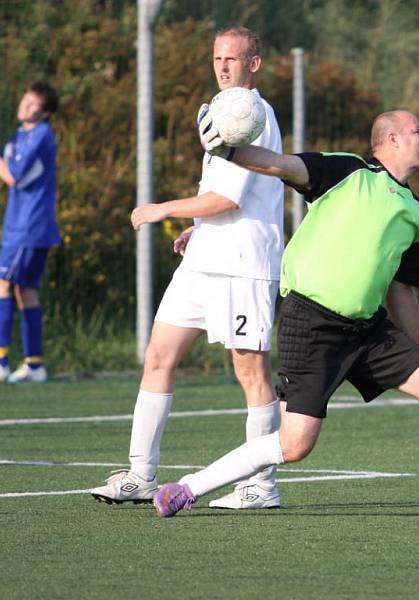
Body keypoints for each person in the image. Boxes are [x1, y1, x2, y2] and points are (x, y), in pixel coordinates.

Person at [151, 108, 419, 520]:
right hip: (310, 322)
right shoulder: (348, 171)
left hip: (366, 329)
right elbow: (280, 164)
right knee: (295, 445)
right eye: (418, 131)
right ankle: (186, 488)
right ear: (392, 140)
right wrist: (227, 150)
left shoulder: (418, 216)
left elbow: (401, 292)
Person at [90, 26, 285, 509]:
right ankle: (141, 475)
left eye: (233, 59)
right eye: (217, 58)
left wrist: (161, 208)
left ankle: (261, 486)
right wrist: (198, 228)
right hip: (207, 257)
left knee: (250, 371)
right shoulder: (223, 111)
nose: (223, 67)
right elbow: (219, 195)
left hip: (245, 263)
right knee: (159, 355)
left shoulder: (252, 115)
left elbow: (226, 197)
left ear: (253, 64)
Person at [0, 82, 61, 384]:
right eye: (26, 100)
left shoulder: (41, 135)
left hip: (27, 226)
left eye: (34, 105)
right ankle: (34, 365)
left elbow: (10, 176)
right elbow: (6, 163)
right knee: (24, 290)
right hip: (26, 224)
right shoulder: (23, 133)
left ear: (45, 113)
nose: (26, 106)